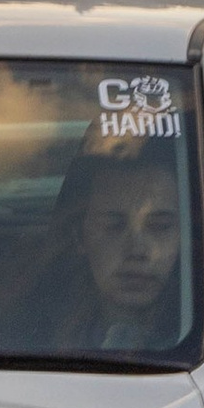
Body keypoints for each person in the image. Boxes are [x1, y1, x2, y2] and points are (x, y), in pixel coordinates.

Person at [36, 143, 187, 352]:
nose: (137, 250)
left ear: (185, 236)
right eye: (114, 226)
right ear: (79, 236)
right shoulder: (32, 342)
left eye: (159, 226)